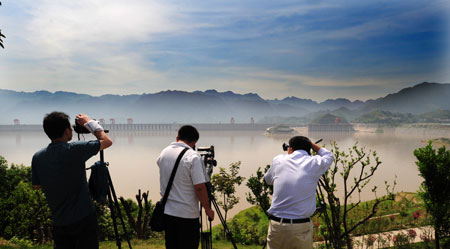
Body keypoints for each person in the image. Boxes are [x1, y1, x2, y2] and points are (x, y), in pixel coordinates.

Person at [32, 112, 112, 249]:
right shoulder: (75, 149)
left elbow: (37, 186)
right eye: (70, 128)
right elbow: (106, 141)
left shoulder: (37, 157)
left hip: (59, 221)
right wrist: (89, 122)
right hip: (83, 218)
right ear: (66, 131)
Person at [264, 136, 334, 249]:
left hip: (277, 225)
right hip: (300, 227)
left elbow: (267, 180)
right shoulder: (315, 162)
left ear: (290, 149)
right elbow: (328, 155)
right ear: (309, 148)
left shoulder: (278, 160)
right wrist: (311, 144)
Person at [157, 125, 214, 249]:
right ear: (194, 142)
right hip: (187, 215)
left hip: (168, 213)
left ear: (177, 137)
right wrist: (208, 209)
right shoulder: (193, 156)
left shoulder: (164, 152)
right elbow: (199, 187)